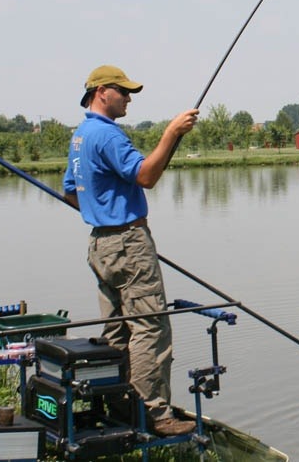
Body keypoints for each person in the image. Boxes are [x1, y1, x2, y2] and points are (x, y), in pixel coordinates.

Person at [63, 65, 199, 437]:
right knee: (150, 328)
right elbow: (146, 177)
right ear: (102, 91)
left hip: (100, 244)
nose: (129, 99)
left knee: (118, 332)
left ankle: (124, 408)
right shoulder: (107, 135)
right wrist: (172, 133)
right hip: (128, 243)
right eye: (124, 92)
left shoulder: (80, 135)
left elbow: (70, 190)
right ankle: (155, 415)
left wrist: (102, 211)